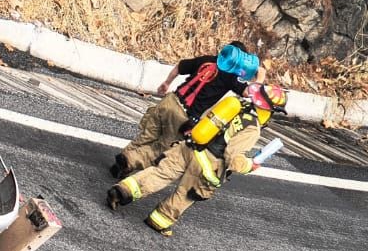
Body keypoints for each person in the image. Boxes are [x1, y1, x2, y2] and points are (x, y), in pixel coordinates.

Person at [105, 83, 287, 237]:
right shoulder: (252, 128)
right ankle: (159, 221)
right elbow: (233, 157)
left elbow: (206, 119)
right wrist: (250, 165)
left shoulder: (234, 104)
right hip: (207, 164)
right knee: (185, 194)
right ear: (270, 110)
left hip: (190, 146)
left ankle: (122, 191)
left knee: (160, 173)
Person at [110, 42, 266, 178]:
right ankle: (129, 161)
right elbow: (250, 93)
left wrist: (166, 83)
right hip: (183, 115)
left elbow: (180, 66)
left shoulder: (206, 60)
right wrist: (260, 78)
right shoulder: (231, 76)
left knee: (147, 135)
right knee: (162, 148)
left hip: (170, 101)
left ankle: (120, 163)